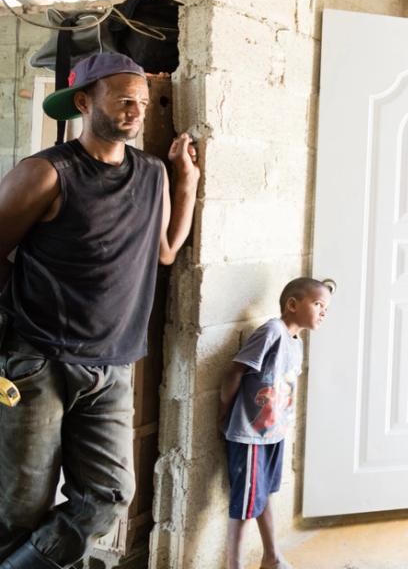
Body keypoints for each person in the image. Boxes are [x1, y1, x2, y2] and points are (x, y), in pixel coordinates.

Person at [0, 52, 199, 569]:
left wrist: (187, 182)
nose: (135, 110)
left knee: (109, 495)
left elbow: (166, 252)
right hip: (35, 360)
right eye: (123, 99)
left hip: (112, 367)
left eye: (141, 101)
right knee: (20, 507)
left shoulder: (152, 174)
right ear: (85, 102)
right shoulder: (46, 173)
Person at [218, 277, 332, 569]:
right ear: (292, 304)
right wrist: (225, 413)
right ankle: (234, 565)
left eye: (326, 308)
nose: (323, 312)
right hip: (250, 436)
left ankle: (272, 556)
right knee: (244, 506)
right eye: (318, 304)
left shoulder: (297, 343)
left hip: (274, 435)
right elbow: (235, 372)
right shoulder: (272, 331)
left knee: (265, 493)